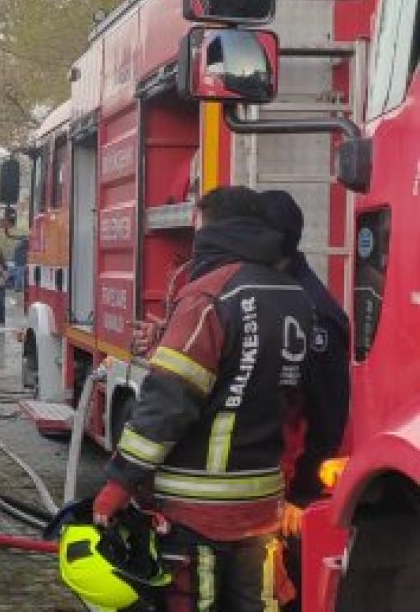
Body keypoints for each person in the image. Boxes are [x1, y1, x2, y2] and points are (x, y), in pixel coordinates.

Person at [93, 186, 316, 611]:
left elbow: (168, 401)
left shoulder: (208, 295)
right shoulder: (294, 297)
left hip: (197, 514)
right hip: (262, 507)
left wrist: (120, 481)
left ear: (211, 226)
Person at [260, 190, 351, 612]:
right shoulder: (280, 293)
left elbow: (328, 413)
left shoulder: (314, 313)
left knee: (287, 590)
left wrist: (302, 494)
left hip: (292, 491)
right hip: (271, 486)